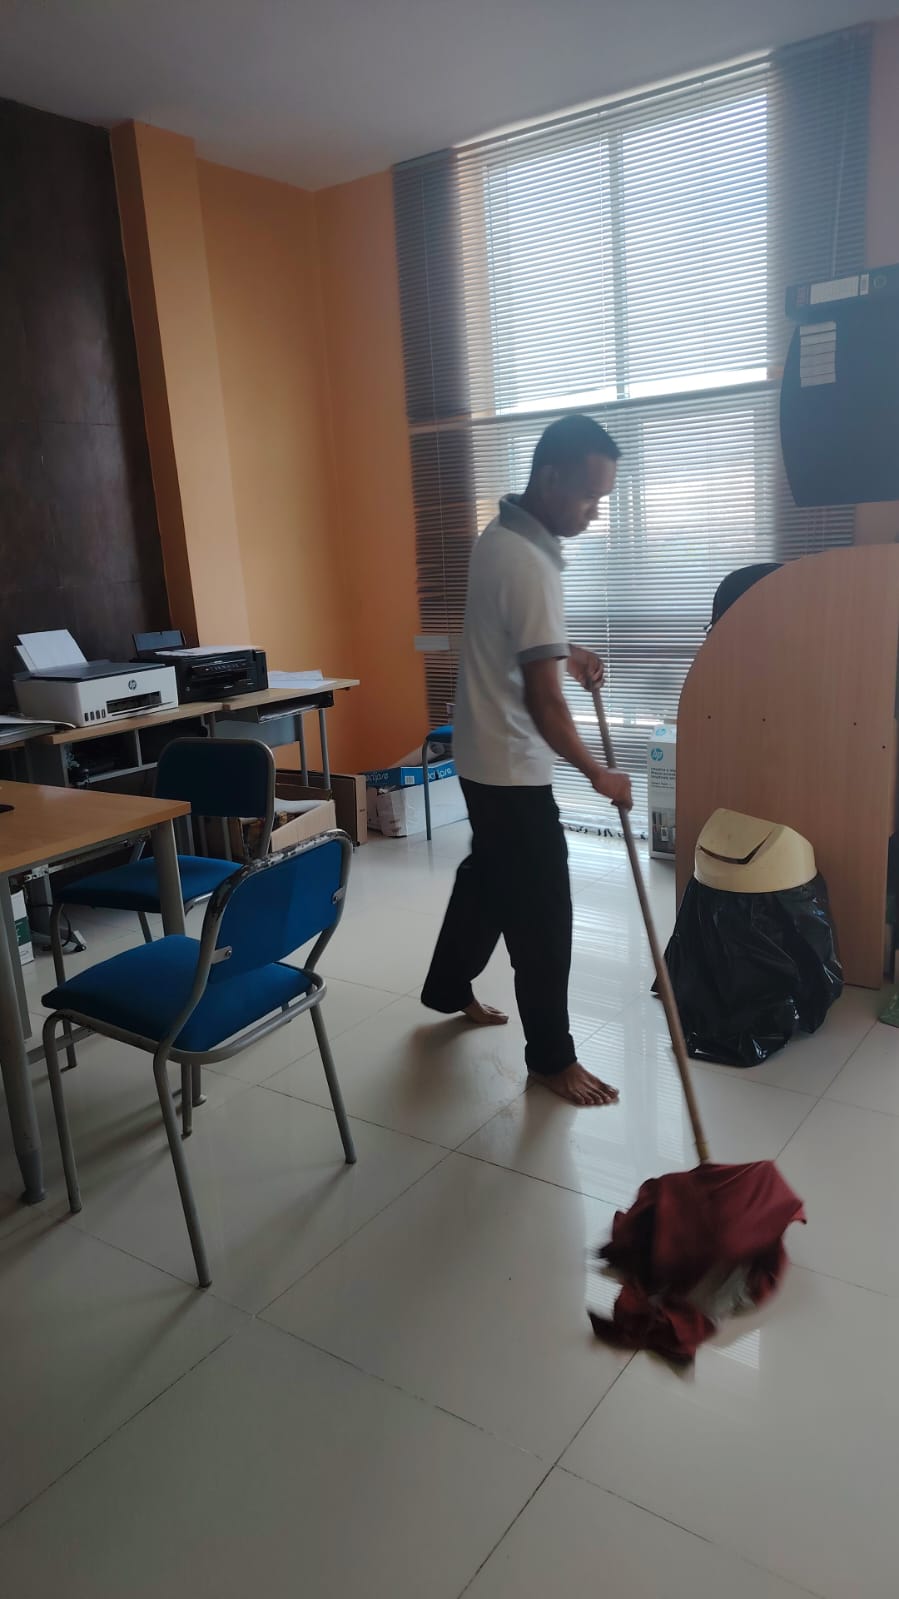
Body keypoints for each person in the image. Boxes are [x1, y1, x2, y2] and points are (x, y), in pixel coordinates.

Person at [421, 414, 633, 1108]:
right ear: (550, 478)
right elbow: (545, 703)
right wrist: (598, 773)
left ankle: (446, 986)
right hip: (511, 766)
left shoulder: (502, 536)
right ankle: (550, 1058)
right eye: (589, 496)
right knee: (542, 916)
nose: (594, 512)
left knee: (489, 878)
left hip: (479, 752)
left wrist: (566, 651)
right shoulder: (529, 562)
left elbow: (510, 634)